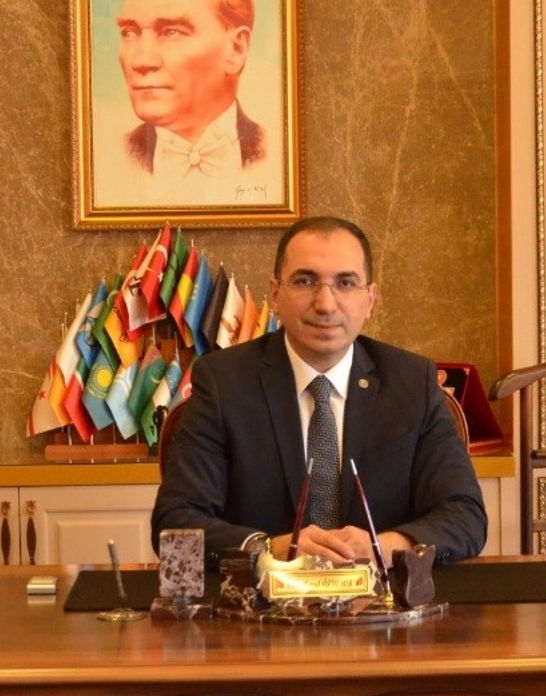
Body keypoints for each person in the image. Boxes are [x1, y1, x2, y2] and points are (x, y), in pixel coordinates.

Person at [151, 217, 487, 566]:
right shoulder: (223, 382)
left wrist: (383, 548)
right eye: (305, 281)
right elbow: (175, 525)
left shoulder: (412, 383)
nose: (325, 304)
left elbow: (466, 516)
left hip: (382, 596)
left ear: (370, 299)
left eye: (346, 283)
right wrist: (270, 549)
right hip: (265, 598)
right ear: (275, 294)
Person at [113, 0, 265, 202]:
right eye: (129, 33)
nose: (140, 61)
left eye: (172, 32)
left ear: (236, 50)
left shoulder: (276, 156)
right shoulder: (111, 159)